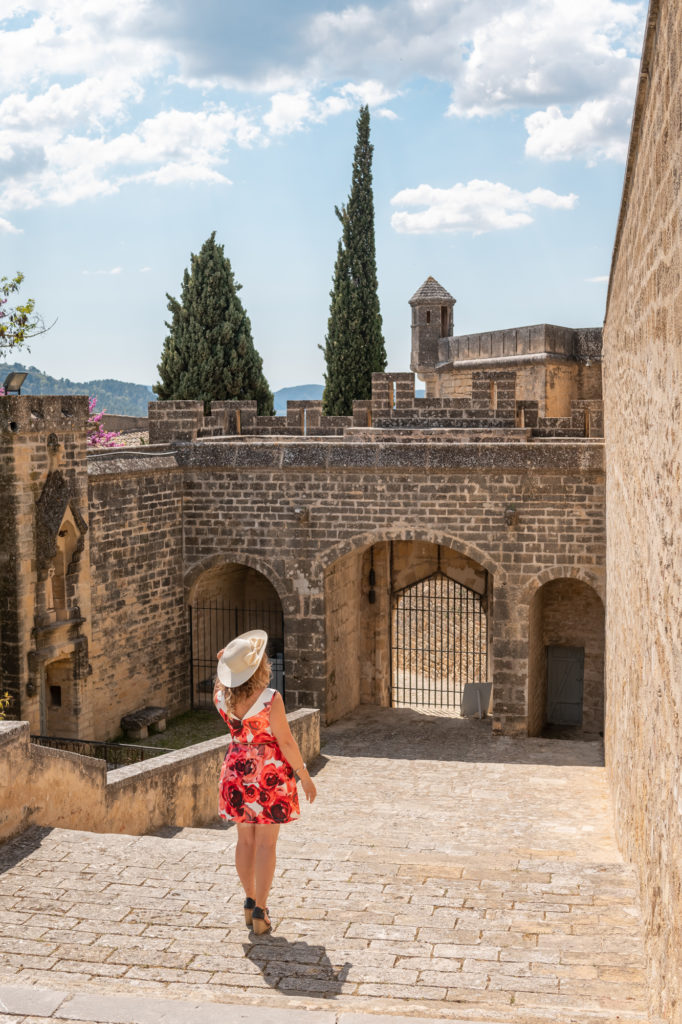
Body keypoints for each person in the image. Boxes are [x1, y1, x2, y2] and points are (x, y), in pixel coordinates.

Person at [213, 629, 317, 934]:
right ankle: (261, 909)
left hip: (235, 771)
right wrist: (305, 777)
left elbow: (222, 679)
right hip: (268, 774)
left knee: (244, 841)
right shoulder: (271, 699)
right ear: (259, 668)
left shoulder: (221, 697)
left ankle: (249, 901)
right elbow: (285, 741)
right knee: (266, 844)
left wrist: (225, 662)